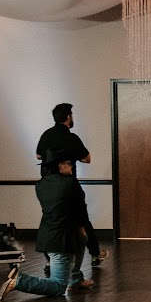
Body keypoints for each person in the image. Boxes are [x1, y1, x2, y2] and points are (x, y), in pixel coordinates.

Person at [0, 148, 91, 301]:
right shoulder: (70, 182)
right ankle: (19, 281)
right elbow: (81, 209)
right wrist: (82, 227)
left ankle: (75, 278)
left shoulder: (40, 185)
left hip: (47, 235)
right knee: (59, 286)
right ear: (60, 166)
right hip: (64, 239)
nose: (72, 166)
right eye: (69, 163)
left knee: (81, 243)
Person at [35, 103, 105, 269]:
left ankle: (50, 258)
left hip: (48, 185)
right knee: (82, 218)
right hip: (68, 184)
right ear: (68, 117)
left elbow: (38, 155)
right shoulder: (72, 138)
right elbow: (87, 158)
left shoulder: (46, 135)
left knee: (50, 218)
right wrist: (71, 156)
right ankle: (94, 254)